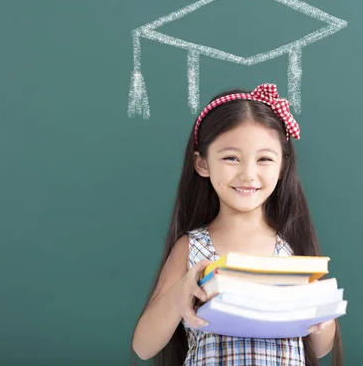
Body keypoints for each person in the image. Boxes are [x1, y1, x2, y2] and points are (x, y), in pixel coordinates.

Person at [131, 83, 343, 366]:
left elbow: (320, 349)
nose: (248, 174)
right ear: (203, 164)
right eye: (231, 158)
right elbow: (143, 347)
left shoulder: (291, 249)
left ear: (283, 166)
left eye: (264, 159)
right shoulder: (193, 248)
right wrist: (178, 294)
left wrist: (321, 318)